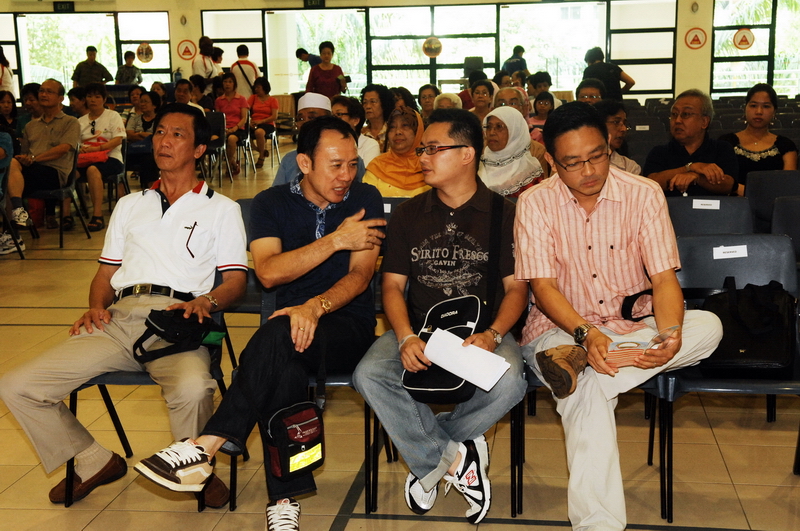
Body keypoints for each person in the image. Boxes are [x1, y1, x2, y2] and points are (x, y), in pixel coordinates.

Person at [135, 116, 386, 531]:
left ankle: (206, 444)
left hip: (346, 329)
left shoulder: (365, 197)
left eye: (352, 164)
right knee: (282, 366)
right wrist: (336, 240)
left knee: (277, 337)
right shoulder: (271, 203)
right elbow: (268, 273)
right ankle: (284, 499)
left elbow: (360, 276)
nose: (347, 175)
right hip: (286, 332)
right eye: (336, 165)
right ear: (304, 163)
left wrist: (315, 307)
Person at [0, 103, 247, 507]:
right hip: (117, 319)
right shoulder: (131, 204)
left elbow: (236, 281)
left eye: (177, 134)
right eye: (160, 132)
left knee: (193, 388)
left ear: (199, 149)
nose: (164, 141)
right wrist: (96, 306)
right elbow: (105, 274)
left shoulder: (221, 209)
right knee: (17, 385)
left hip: (176, 320)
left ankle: (196, 469)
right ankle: (93, 460)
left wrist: (208, 300)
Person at [514, 101, 723, 531]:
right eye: (573, 163)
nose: (590, 170)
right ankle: (599, 524)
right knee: (583, 390)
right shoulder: (534, 203)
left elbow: (663, 279)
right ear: (551, 160)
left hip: (632, 325)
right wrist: (586, 334)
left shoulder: (643, 193)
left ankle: (585, 366)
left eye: (598, 155)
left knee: (708, 326)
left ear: (610, 145)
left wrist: (669, 333)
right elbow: (543, 288)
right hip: (561, 328)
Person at [353, 108, 528, 525]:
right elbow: (391, 287)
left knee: (510, 381)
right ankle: (456, 458)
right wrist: (405, 336)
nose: (422, 157)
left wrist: (492, 335)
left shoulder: (504, 214)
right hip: (422, 331)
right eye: (422, 149)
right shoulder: (409, 214)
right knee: (369, 374)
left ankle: (431, 453)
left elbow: (517, 290)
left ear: (467, 154)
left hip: (481, 331)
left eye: (433, 149)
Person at [6, 79, 79, 229]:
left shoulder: (70, 122)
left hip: (55, 174)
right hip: (32, 170)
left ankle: (12, 229)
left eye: (49, 92)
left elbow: (63, 149)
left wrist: (34, 159)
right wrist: (24, 159)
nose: (44, 94)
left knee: (6, 183)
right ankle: (17, 218)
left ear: (60, 98)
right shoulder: (30, 126)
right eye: (42, 91)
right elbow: (25, 153)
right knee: (9, 169)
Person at [643, 89, 739, 196]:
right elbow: (649, 184)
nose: (677, 120)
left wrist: (697, 177)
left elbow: (728, 185)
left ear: (704, 122)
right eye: (674, 114)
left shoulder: (721, 148)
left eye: (686, 114)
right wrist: (689, 168)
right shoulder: (659, 152)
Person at [273, 92, 367, 187]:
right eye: (300, 119)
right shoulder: (290, 159)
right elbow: (277, 193)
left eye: (312, 117)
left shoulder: (353, 162)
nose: (305, 123)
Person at [718, 83, 798, 189]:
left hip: (773, 199)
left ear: (774, 112)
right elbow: (719, 181)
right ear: (745, 108)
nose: (759, 111)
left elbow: (788, 186)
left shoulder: (786, 146)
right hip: (732, 199)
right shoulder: (726, 143)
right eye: (753, 106)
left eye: (766, 106)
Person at [77, 82, 126, 232]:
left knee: (93, 170)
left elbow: (118, 139)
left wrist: (98, 148)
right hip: (86, 159)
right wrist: (82, 149)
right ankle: (66, 215)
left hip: (111, 158)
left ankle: (97, 215)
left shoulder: (113, 115)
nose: (93, 100)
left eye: (97, 96)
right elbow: (75, 144)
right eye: (89, 96)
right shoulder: (80, 121)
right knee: (67, 172)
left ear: (104, 99)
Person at [363, 107, 429, 197]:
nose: (398, 132)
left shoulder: (429, 164)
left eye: (405, 125)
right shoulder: (377, 166)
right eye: (393, 127)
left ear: (418, 131)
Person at [480, 106, 544, 198]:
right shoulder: (476, 165)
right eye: (488, 127)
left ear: (515, 131)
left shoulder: (530, 172)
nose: (491, 132)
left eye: (499, 127)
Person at [594, 99, 641, 175]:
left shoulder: (629, 167)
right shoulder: (580, 162)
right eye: (616, 122)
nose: (624, 129)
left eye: (625, 123)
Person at [215, 72, 248, 177]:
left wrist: (234, 128)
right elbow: (218, 118)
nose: (227, 84)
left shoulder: (241, 99)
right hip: (224, 129)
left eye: (230, 82)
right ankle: (233, 162)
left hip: (238, 128)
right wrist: (224, 128)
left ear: (234, 84)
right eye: (225, 82)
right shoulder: (219, 100)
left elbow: (244, 118)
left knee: (231, 139)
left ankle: (228, 165)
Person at [126, 91, 162, 189]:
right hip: (134, 151)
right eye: (141, 101)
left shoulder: (160, 120)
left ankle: (151, 189)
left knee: (149, 160)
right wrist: (146, 135)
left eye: (146, 102)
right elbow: (129, 134)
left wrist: (139, 134)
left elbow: (159, 136)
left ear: (154, 105)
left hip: (153, 152)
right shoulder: (134, 118)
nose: (142, 104)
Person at [332, 95, 380, 166]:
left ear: (355, 120)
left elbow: (366, 172)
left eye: (339, 114)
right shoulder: (329, 143)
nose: (333, 119)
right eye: (332, 115)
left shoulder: (370, 145)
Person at [248, 77, 279, 168]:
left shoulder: (273, 100)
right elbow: (245, 110)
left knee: (259, 132)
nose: (256, 89)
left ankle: (261, 156)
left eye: (258, 87)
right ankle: (260, 150)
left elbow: (274, 116)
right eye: (255, 87)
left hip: (267, 123)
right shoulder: (253, 98)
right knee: (243, 132)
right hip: (254, 122)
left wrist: (261, 121)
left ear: (264, 87)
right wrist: (250, 121)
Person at [361, 83, 394, 152]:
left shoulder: (393, 132)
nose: (368, 106)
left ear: (384, 104)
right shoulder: (361, 133)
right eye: (365, 102)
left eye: (373, 102)